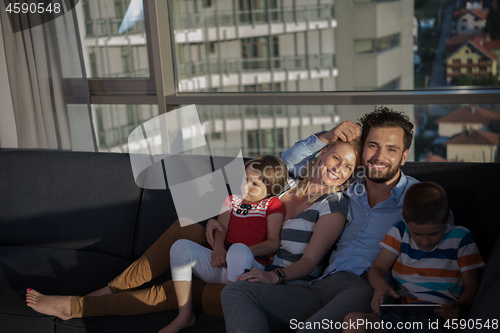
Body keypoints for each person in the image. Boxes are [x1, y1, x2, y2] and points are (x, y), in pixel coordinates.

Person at [25, 139, 360, 327]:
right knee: (186, 226)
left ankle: (77, 307)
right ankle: (109, 288)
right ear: (323, 155)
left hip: (271, 282)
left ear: (348, 176)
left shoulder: (334, 206)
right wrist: (216, 227)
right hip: (234, 253)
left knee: (175, 291)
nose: (338, 168)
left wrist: (274, 279)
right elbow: (261, 183)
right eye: (335, 157)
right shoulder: (286, 183)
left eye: (347, 166)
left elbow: (310, 262)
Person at [221, 106, 420, 333]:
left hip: (365, 288)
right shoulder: (348, 185)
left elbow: (439, 246)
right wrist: (326, 137)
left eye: (391, 149)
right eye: (373, 146)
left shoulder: (415, 198)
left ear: (404, 156)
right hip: (319, 285)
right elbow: (283, 165)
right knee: (236, 292)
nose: (379, 156)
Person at [164, 155, 287, 333]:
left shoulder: (272, 204)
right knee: (180, 247)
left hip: (247, 266)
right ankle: (185, 316)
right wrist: (218, 250)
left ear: (271, 189)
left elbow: (273, 243)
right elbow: (221, 229)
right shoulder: (231, 201)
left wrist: (235, 253)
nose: (246, 186)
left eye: (255, 184)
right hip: (222, 264)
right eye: (246, 179)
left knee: (237, 251)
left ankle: (233, 316)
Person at [342, 182, 484, 333]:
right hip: (401, 312)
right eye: (417, 234)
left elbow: (472, 285)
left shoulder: (461, 237)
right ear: (405, 219)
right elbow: (378, 268)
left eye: (434, 233)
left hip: (438, 315)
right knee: (353, 321)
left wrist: (459, 309)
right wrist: (380, 285)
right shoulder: (400, 231)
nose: (425, 241)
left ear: (448, 219)